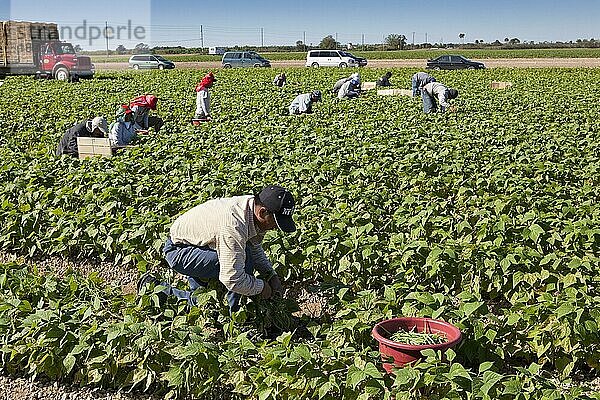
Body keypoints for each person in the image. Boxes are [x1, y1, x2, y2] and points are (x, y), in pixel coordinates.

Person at [138, 185, 297, 313]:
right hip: (180, 250)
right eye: (276, 222)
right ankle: (232, 313)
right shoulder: (234, 224)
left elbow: (254, 246)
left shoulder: (252, 207)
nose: (276, 227)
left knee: (204, 302)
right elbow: (233, 278)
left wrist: (270, 274)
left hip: (200, 245)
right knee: (243, 261)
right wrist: (262, 287)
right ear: (262, 212)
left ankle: (202, 298)